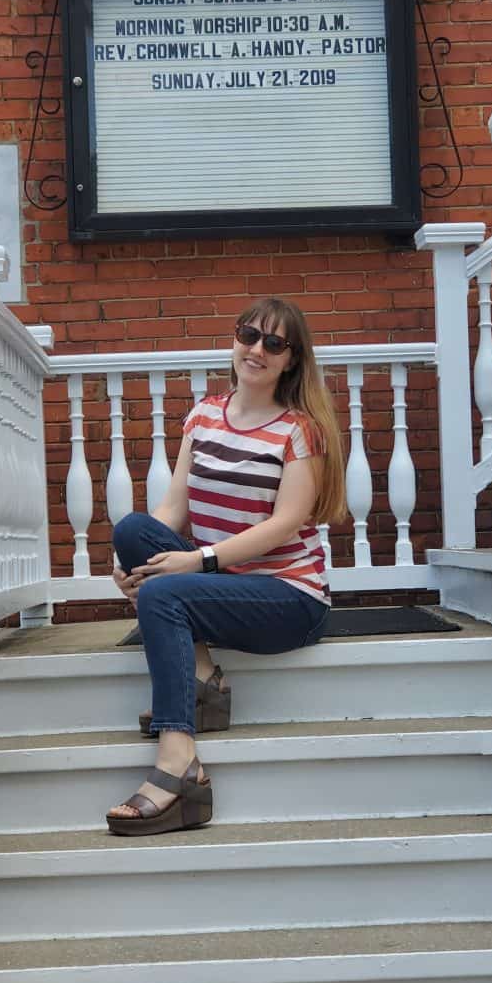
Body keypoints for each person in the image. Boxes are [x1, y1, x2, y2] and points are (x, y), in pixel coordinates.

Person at [107, 296, 346, 836]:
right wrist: (132, 566)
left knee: (165, 595)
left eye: (273, 342)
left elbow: (284, 525)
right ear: (235, 340)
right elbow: (173, 509)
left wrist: (197, 560)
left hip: (288, 597)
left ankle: (180, 768)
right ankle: (202, 679)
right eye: (248, 335)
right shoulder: (204, 414)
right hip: (219, 581)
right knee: (131, 530)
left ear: (290, 360)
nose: (256, 349)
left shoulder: (298, 431)